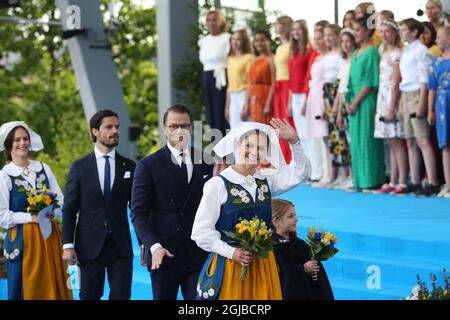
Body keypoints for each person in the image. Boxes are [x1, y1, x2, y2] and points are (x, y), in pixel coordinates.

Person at [191, 119, 311, 300]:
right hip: (231, 266)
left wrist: (295, 142)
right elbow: (200, 232)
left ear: (266, 153)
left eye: (261, 148)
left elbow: (300, 174)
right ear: (238, 144)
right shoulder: (218, 184)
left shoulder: (266, 181)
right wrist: (232, 252)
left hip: (264, 266)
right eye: (249, 145)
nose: (254, 152)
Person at [131, 105, 214, 300]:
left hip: (197, 252)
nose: (179, 131)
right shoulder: (148, 165)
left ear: (191, 128)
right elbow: (138, 213)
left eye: (185, 126)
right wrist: (152, 246)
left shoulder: (205, 160)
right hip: (164, 254)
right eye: (174, 126)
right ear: (165, 129)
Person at [62, 110, 136, 300]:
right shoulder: (79, 167)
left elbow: (137, 208)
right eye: (109, 127)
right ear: (95, 131)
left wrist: (146, 243)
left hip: (120, 246)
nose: (115, 131)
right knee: (89, 296)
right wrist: (67, 245)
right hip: (88, 246)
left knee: (121, 297)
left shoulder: (129, 166)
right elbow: (70, 209)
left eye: (117, 127)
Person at [0, 121, 72, 300]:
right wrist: (31, 218)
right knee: (27, 287)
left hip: (50, 235)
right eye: (17, 140)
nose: (22, 143)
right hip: (24, 239)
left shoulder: (42, 168)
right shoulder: (5, 175)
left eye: (25, 139)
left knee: (55, 282)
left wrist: (51, 213)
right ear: (9, 145)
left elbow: (61, 202)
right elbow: (2, 216)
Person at [399, 18, 440, 196]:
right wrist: (401, 103)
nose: (401, 33)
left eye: (404, 30)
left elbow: (424, 78)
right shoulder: (406, 50)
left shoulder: (421, 51)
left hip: (417, 94)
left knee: (422, 139)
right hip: (407, 94)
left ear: (414, 32)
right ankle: (414, 180)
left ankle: (432, 181)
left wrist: (422, 102)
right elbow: (404, 79)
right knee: (410, 141)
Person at [346, 14, 385, 192]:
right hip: (353, 100)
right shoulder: (355, 52)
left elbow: (370, 81)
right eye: (354, 30)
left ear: (367, 30)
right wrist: (348, 101)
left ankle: (372, 179)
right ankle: (360, 180)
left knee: (367, 140)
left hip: (365, 100)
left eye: (358, 30)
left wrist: (355, 102)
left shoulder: (371, 51)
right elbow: (350, 80)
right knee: (356, 141)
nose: (356, 33)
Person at [271, 198, 334, 300]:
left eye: (295, 215)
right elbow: (279, 276)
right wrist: (303, 269)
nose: (296, 219)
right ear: (276, 222)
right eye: (290, 216)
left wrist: (314, 270)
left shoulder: (300, 244)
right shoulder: (272, 248)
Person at [373, 19, 409, 195]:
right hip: (383, 97)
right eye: (382, 31)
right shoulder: (385, 52)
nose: (384, 35)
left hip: (391, 98)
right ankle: (393, 179)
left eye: (388, 31)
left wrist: (390, 108)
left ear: (395, 33)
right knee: (390, 141)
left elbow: (395, 82)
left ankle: (402, 180)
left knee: (397, 141)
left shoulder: (397, 53)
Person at [286, 20, 319, 180]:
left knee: (308, 133)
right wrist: (289, 101)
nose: (296, 32)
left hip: (306, 94)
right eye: (294, 29)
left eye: (299, 29)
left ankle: (314, 168)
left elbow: (308, 76)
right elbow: (292, 78)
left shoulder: (310, 51)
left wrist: (306, 98)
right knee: (300, 134)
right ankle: (305, 169)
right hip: (295, 95)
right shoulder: (294, 52)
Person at [320, 24, 347, 187]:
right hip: (327, 93)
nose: (328, 39)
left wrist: (337, 102)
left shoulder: (340, 55)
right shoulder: (327, 54)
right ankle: (334, 173)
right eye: (326, 35)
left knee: (342, 134)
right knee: (332, 137)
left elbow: (341, 77)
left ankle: (346, 173)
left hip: (338, 91)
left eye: (331, 35)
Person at [330, 28, 356, 191]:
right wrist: (337, 108)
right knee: (345, 142)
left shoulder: (355, 60)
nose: (345, 45)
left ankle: (355, 175)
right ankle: (348, 175)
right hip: (342, 103)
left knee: (353, 141)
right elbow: (340, 88)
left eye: (348, 41)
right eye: (343, 42)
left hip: (351, 102)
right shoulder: (343, 62)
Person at [302, 26, 329, 183]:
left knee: (324, 135)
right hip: (313, 95)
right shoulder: (317, 58)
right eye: (316, 38)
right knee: (314, 135)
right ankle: (318, 170)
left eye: (321, 38)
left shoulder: (329, 58)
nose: (318, 42)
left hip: (323, 96)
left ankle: (327, 171)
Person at [198, 10, 230, 136]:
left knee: (221, 113)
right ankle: (216, 148)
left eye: (214, 20)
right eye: (208, 20)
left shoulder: (227, 38)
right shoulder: (204, 40)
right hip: (207, 77)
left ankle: (226, 149)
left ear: (221, 22)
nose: (211, 23)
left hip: (222, 77)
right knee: (211, 113)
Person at [428, 26, 450, 198]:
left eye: (439, 37)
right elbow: (432, 88)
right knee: (445, 144)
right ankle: (448, 184)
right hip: (442, 103)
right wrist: (430, 110)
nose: (436, 40)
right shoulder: (436, 61)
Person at [242, 30, 275, 126]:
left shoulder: (272, 59)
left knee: (267, 127)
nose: (259, 43)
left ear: (269, 41)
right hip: (254, 99)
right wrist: (246, 104)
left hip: (266, 97)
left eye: (262, 40)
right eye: (257, 41)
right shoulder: (254, 60)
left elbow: (274, 82)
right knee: (256, 128)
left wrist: (268, 104)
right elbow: (250, 83)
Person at [274, 16, 295, 163]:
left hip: (288, 84)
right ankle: (284, 157)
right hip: (278, 84)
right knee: (279, 121)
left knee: (288, 120)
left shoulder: (291, 47)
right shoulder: (279, 47)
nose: (275, 26)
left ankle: (292, 156)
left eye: (277, 24)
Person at [226, 30, 254, 129]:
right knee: (234, 129)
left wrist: (246, 105)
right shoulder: (230, 59)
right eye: (233, 39)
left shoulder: (249, 58)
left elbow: (250, 82)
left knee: (247, 128)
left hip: (244, 95)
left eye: (238, 39)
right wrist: (227, 107)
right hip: (233, 97)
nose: (235, 42)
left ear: (244, 42)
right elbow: (230, 84)